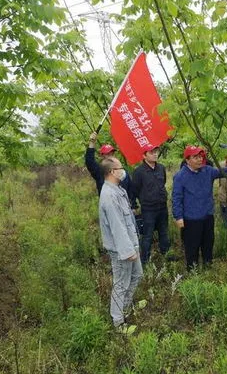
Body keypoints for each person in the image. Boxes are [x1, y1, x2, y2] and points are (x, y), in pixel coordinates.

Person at [172, 145, 227, 271]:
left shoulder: (207, 170)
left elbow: (224, 172)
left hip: (207, 215)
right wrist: (178, 217)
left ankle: (208, 269)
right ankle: (192, 272)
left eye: (201, 157)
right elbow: (177, 198)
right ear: (187, 160)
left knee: (208, 245)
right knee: (192, 247)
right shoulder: (180, 176)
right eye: (196, 157)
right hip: (191, 218)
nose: (200, 160)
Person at [98, 156, 143, 329]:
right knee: (121, 284)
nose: (123, 170)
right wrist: (128, 251)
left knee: (137, 275)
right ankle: (118, 321)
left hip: (131, 245)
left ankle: (125, 307)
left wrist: (134, 246)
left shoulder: (118, 189)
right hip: (121, 250)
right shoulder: (109, 196)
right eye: (120, 167)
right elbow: (117, 226)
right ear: (112, 172)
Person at [132, 144, 170, 264]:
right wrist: (138, 203)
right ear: (144, 156)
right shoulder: (139, 172)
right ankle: (145, 260)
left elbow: (163, 182)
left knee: (164, 232)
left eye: (156, 151)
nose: (155, 154)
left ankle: (166, 255)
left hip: (162, 207)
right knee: (147, 235)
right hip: (148, 209)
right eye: (151, 152)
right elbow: (135, 190)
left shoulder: (161, 168)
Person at [85, 131, 133, 202]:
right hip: (109, 205)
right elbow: (89, 161)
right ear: (102, 156)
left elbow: (130, 189)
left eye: (112, 154)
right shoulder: (99, 171)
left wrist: (134, 206)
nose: (111, 157)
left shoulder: (122, 171)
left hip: (125, 207)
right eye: (108, 154)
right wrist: (92, 143)